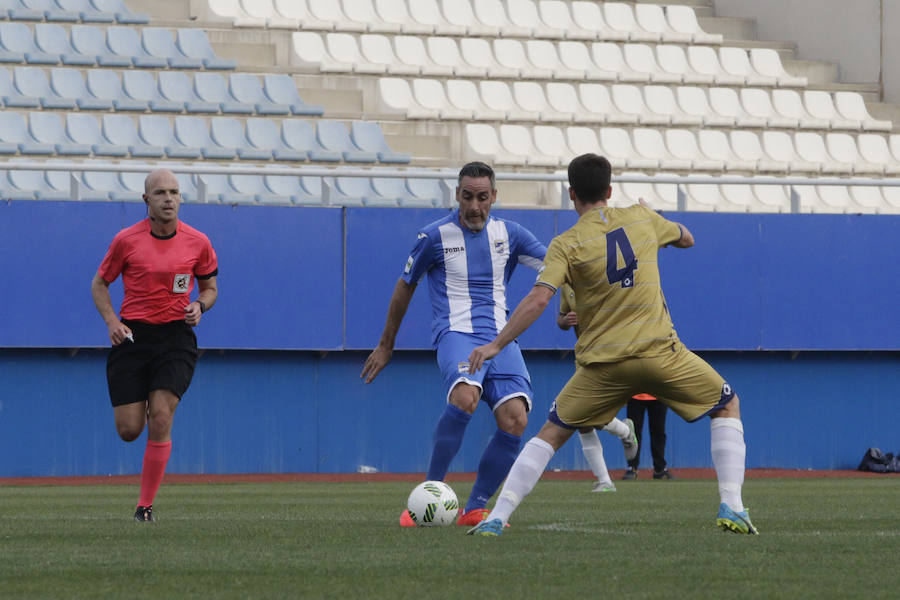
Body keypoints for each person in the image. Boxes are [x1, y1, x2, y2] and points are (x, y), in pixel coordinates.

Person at [466, 153, 757, 536]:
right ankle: (732, 506)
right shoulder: (641, 218)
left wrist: (494, 345)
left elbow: (539, 298)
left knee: (551, 434)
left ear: (571, 194)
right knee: (726, 404)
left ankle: (498, 517)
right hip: (660, 353)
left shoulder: (565, 244)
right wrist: (655, 216)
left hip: (603, 367)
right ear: (609, 190)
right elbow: (687, 238)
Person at [361, 162, 547, 528]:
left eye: (482, 197)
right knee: (465, 396)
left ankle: (477, 506)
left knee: (516, 419)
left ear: (494, 196)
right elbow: (404, 287)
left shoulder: (511, 234)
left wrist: (571, 303)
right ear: (456, 196)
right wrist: (386, 345)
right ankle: (427, 498)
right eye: (467, 197)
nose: (475, 206)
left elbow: (557, 265)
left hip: (500, 338)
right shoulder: (434, 236)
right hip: (457, 335)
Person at [90, 169, 218, 522]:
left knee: (161, 414)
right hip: (134, 337)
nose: (168, 199)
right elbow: (99, 285)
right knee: (130, 429)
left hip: (176, 336)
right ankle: (137, 413)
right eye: (160, 192)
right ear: (146, 200)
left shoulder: (198, 242)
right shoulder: (126, 241)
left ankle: (144, 507)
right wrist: (113, 323)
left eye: (174, 192)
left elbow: (210, 288)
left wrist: (200, 306)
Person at [557, 284, 638, 492]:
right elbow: (561, 319)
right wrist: (565, 321)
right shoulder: (567, 285)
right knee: (581, 418)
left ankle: (624, 431)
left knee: (587, 413)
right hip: (584, 356)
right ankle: (605, 481)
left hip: (609, 353)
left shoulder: (602, 273)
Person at [623, 393, 674, 480]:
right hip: (635, 394)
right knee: (633, 433)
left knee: (659, 432)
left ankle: (660, 469)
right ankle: (632, 467)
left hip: (659, 394)